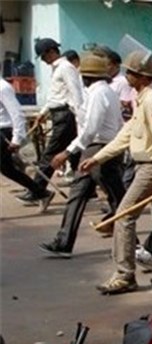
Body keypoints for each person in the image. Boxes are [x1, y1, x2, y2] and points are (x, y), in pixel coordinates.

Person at [79, 49, 152, 295]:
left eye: (130, 72)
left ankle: (124, 274)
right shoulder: (142, 98)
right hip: (148, 166)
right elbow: (126, 135)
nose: (125, 75)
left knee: (123, 217)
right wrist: (97, 157)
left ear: (141, 76)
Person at [39, 52, 125, 257]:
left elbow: (90, 129)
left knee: (117, 198)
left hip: (100, 148)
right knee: (78, 194)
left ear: (88, 77)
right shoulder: (106, 92)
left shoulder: (98, 93)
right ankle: (64, 242)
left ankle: (135, 244)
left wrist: (68, 152)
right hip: (97, 148)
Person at [19, 38, 84, 208]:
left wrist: (80, 120)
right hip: (58, 114)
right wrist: (43, 113)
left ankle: (37, 190)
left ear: (51, 52)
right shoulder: (57, 69)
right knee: (76, 155)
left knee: (49, 155)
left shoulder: (66, 68)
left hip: (66, 116)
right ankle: (86, 190)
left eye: (43, 56)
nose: (43, 60)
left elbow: (75, 94)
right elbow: (54, 96)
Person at [0, 78, 44, 202]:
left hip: (4, 131)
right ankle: (38, 190)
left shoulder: (3, 88)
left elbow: (16, 113)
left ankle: (38, 190)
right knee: (6, 169)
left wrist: (16, 138)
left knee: (6, 168)